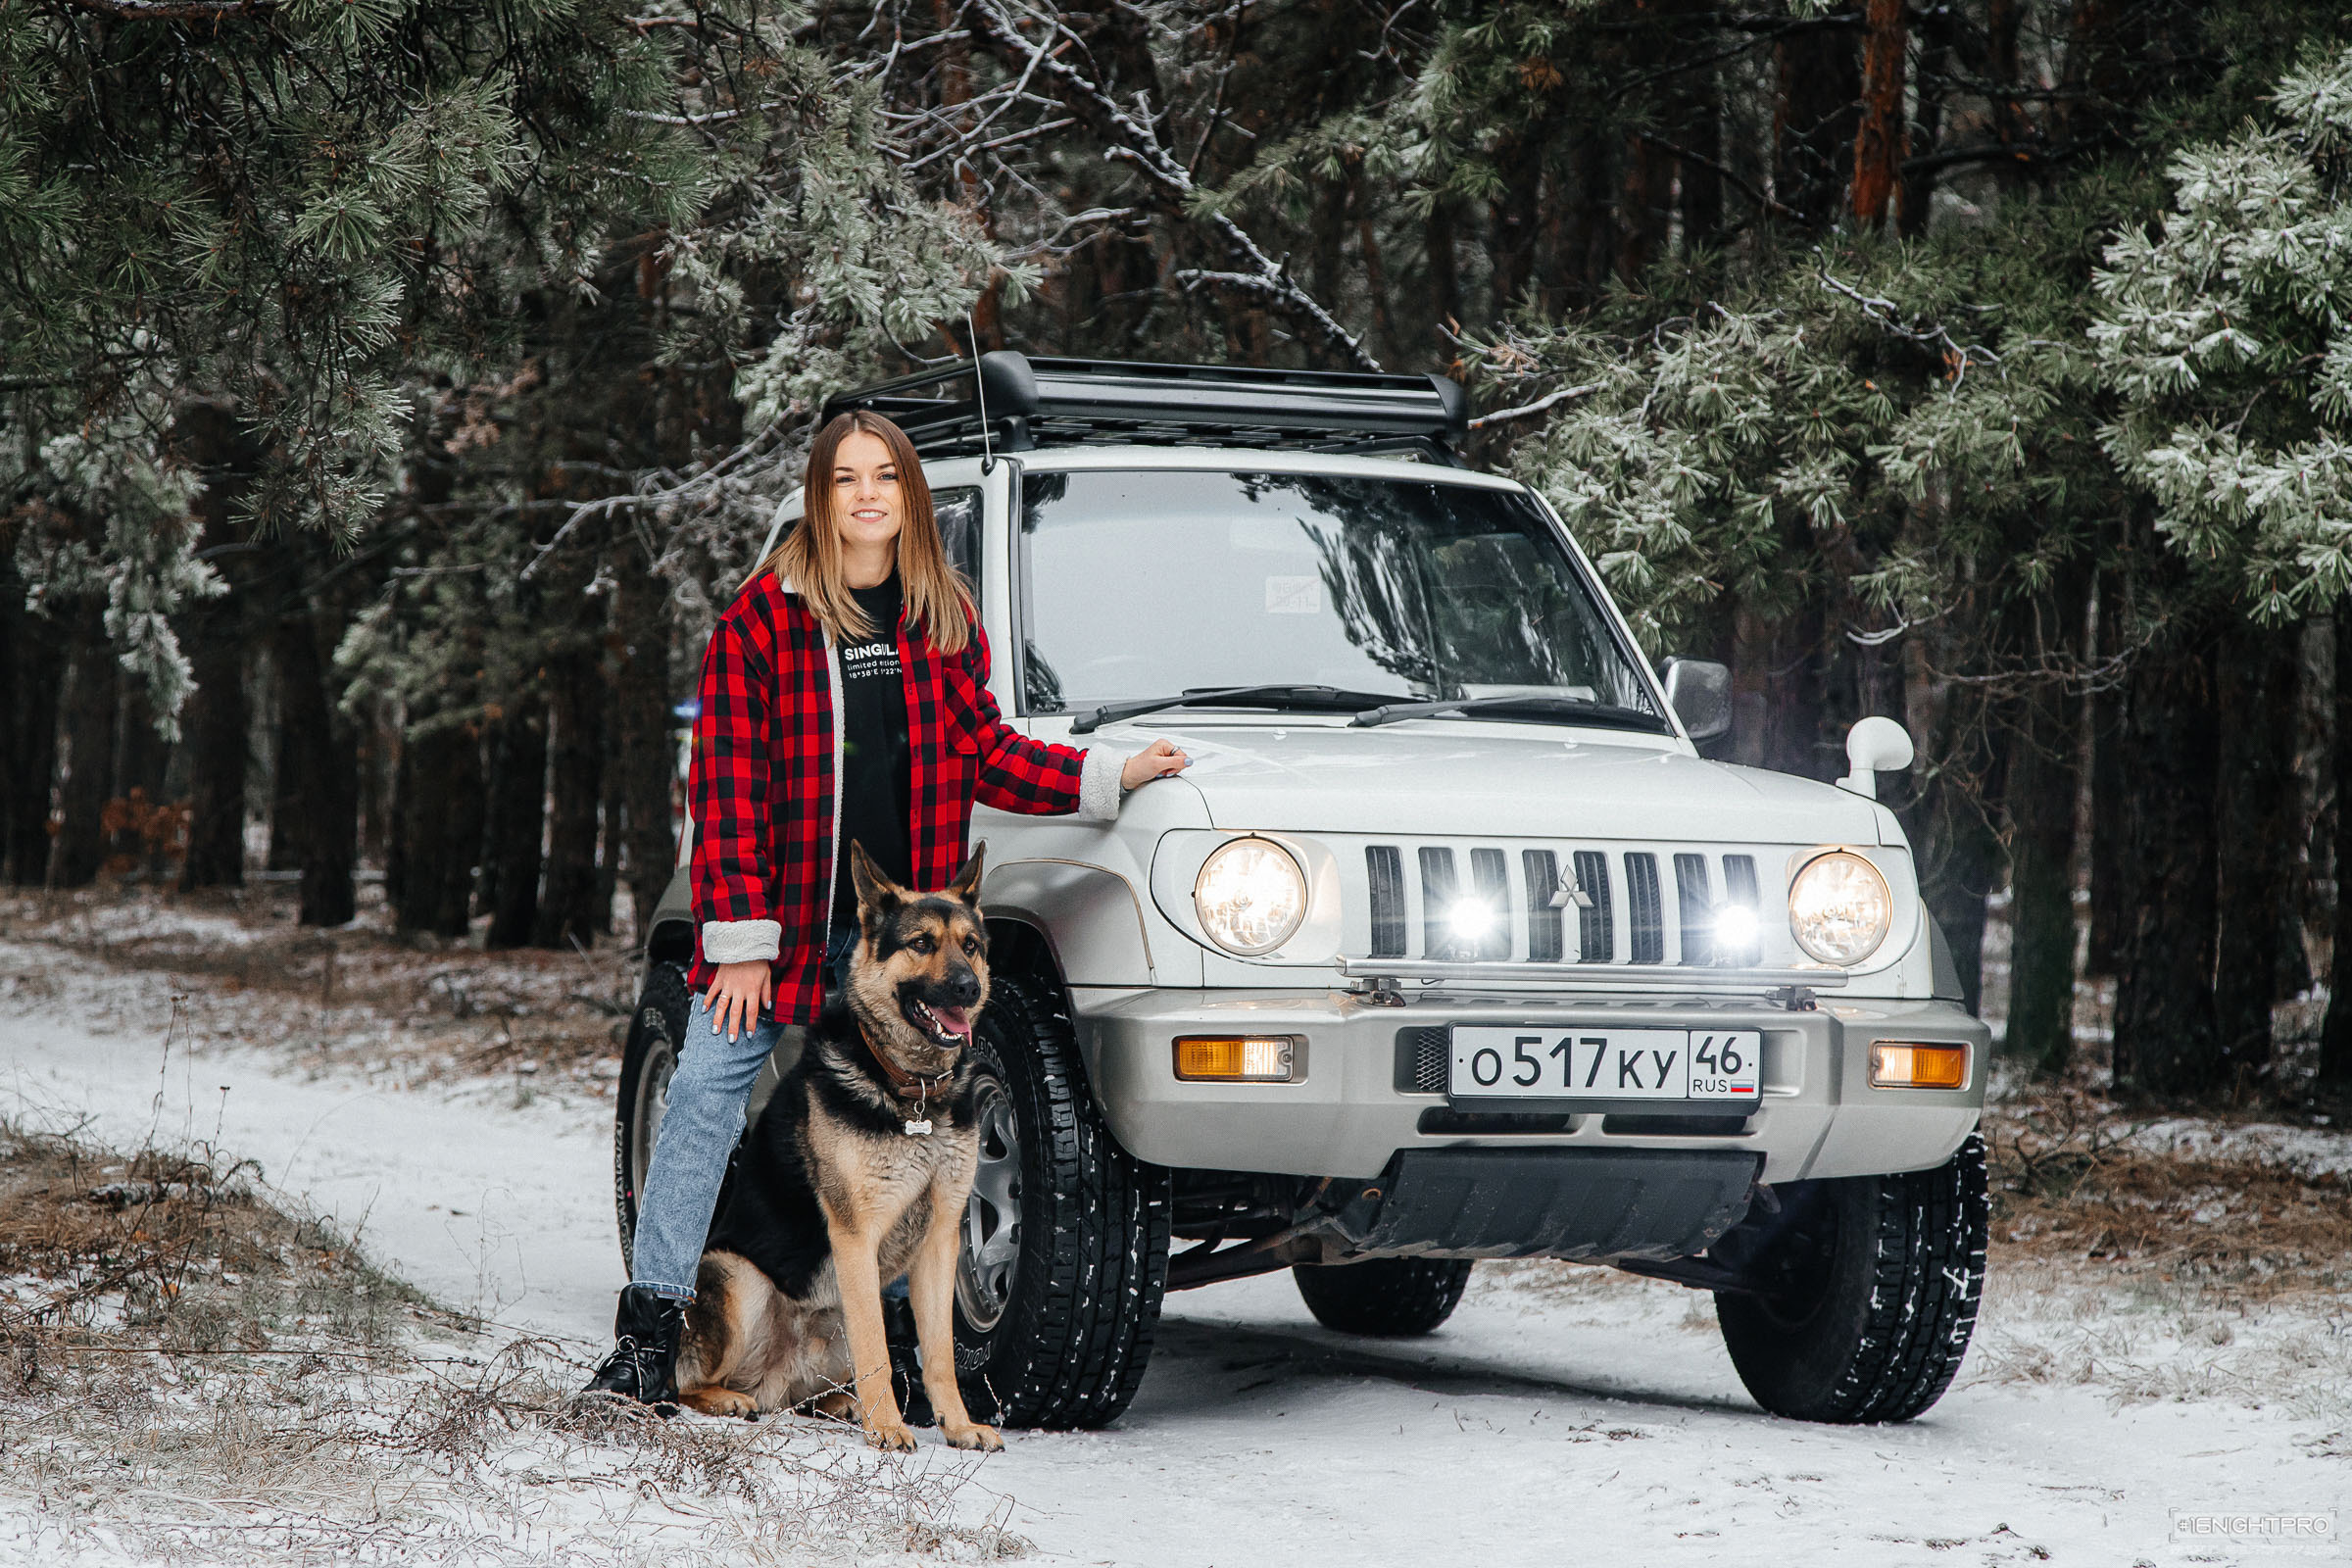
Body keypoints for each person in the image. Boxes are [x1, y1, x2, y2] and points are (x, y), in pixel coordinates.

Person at [585, 409, 1189, 1405]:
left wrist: (1109, 774)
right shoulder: (763, 620)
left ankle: (894, 1344)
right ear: (822, 498)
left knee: (913, 1130)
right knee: (701, 1093)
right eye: (846, 479)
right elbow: (729, 788)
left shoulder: (940, 613)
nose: (867, 495)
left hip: (891, 945)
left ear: (909, 498)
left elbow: (989, 749)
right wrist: (738, 946)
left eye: (886, 479)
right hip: (779, 927)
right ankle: (653, 1336)